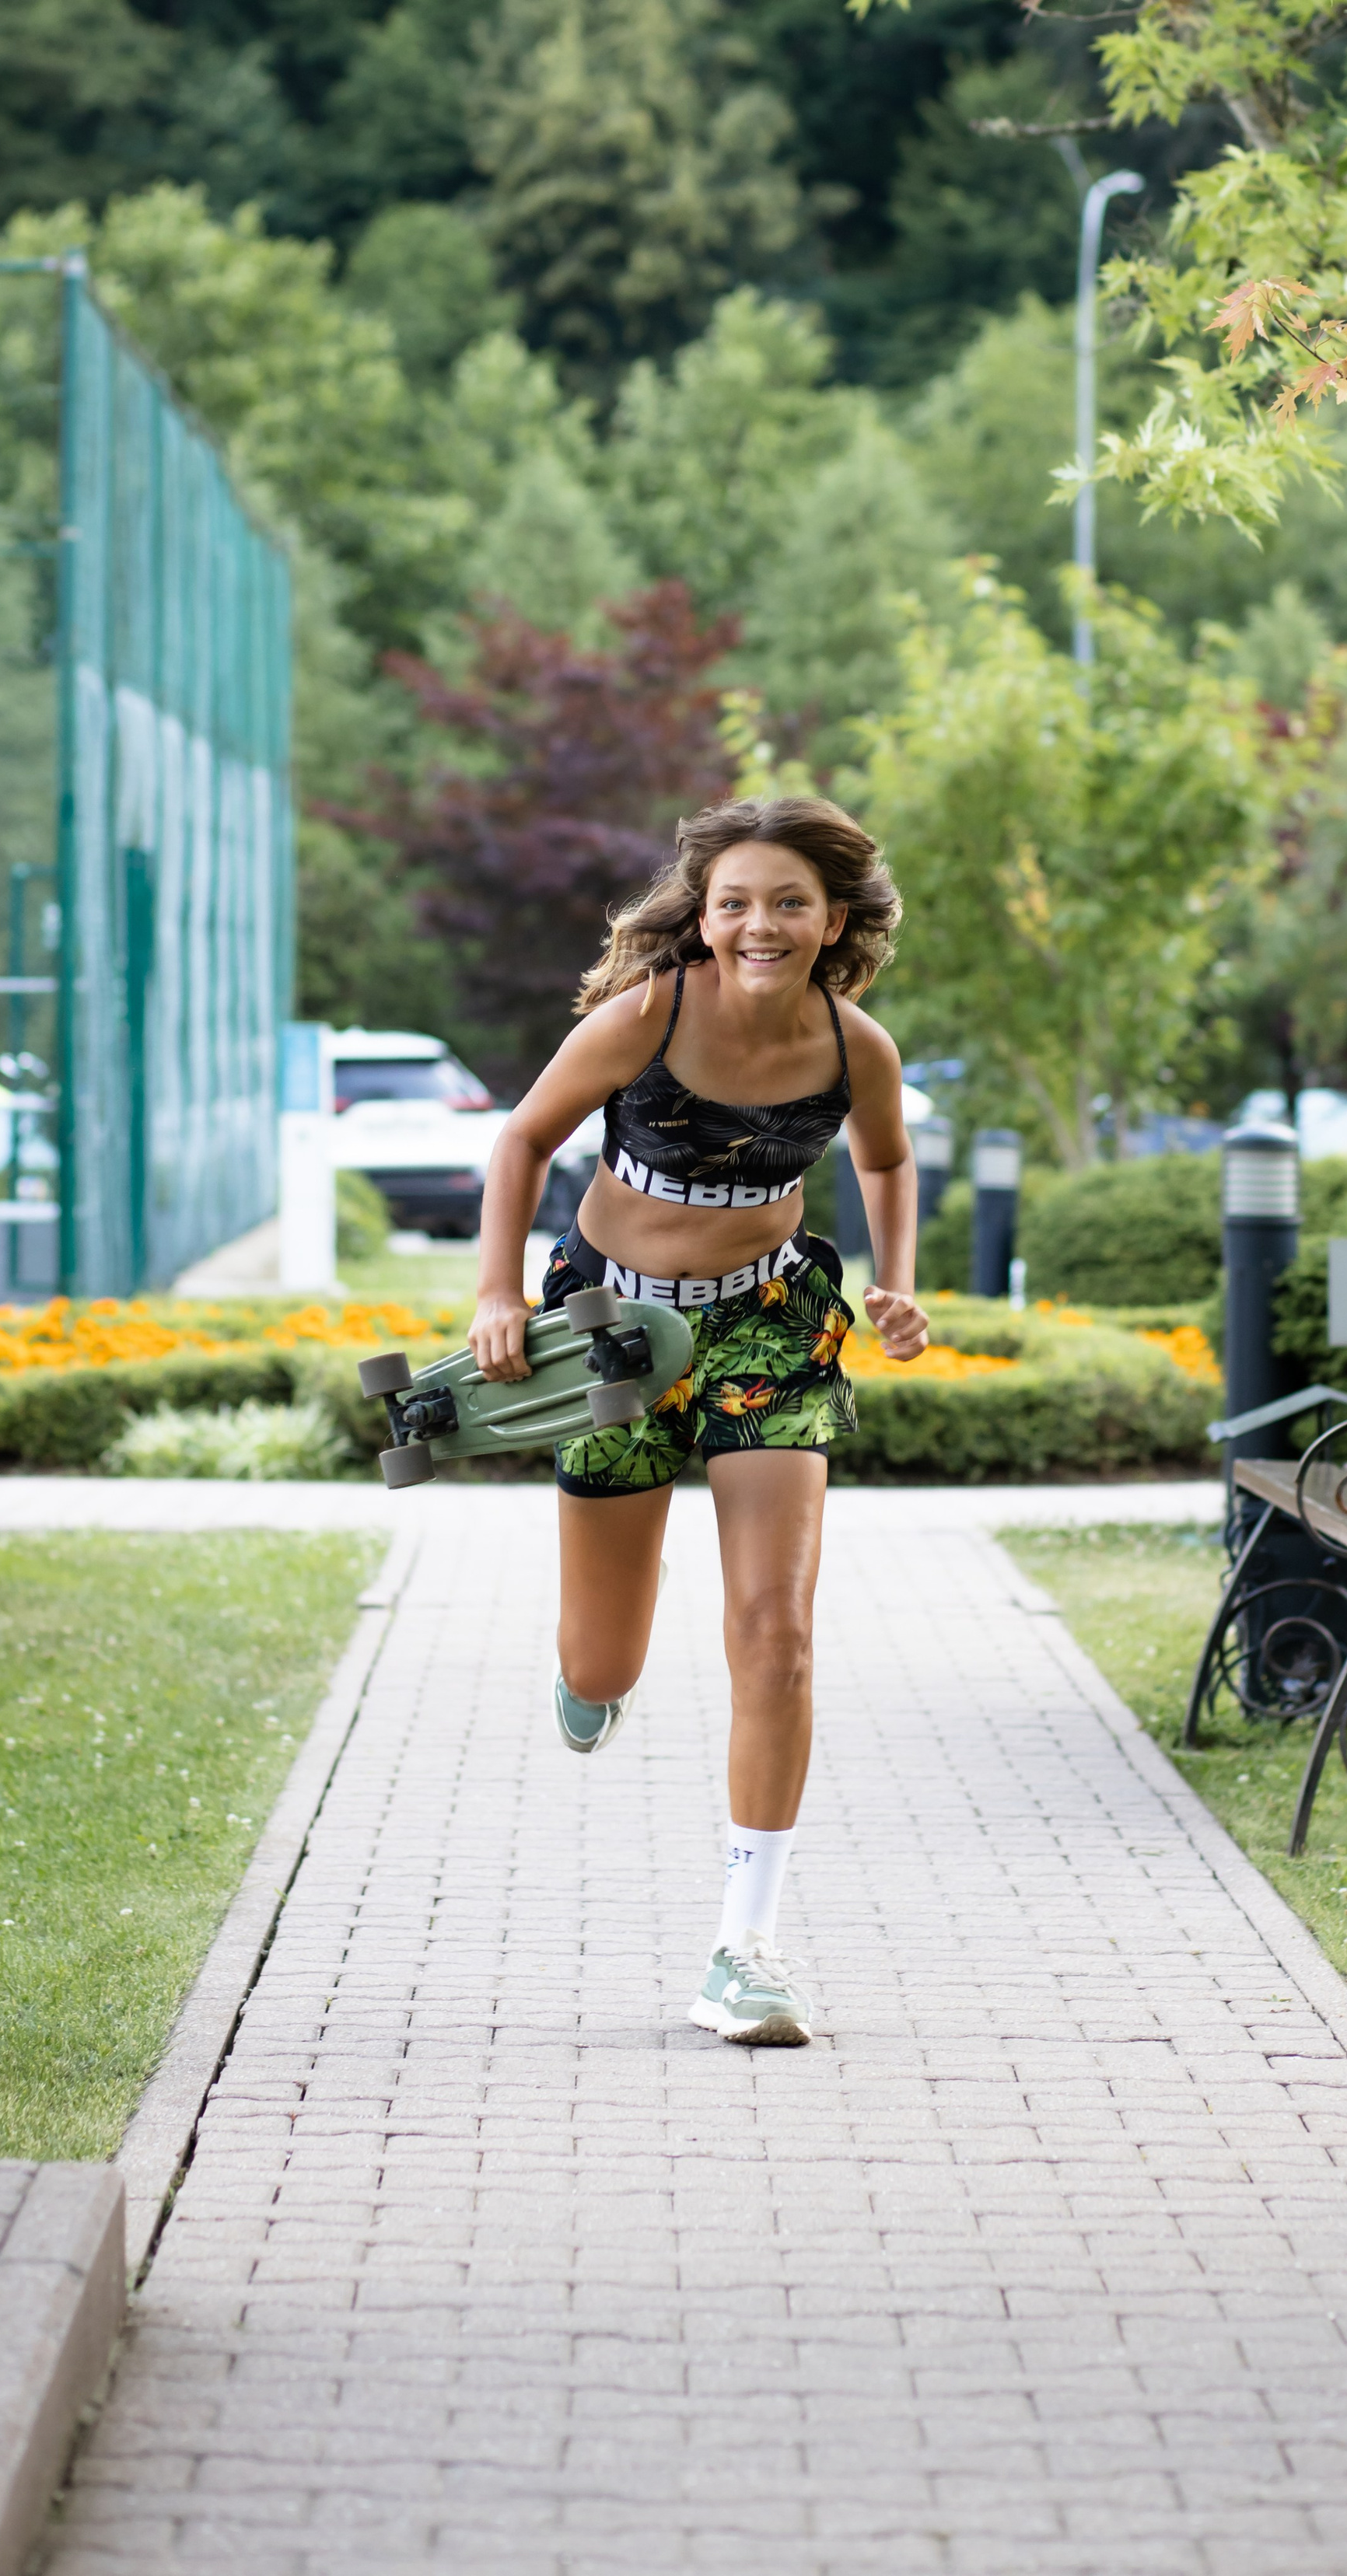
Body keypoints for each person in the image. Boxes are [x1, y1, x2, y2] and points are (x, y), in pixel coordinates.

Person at [471, 794, 930, 2047]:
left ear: (833, 919)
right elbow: (521, 1139)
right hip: (613, 1330)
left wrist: (895, 1276)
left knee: (775, 1632)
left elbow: (885, 1160)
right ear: (706, 915)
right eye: (736, 900)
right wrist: (498, 1292)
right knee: (601, 1658)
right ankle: (588, 1680)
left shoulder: (857, 1047)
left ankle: (748, 1948)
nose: (760, 923)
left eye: (788, 901)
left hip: (768, 1324)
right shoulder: (648, 1016)